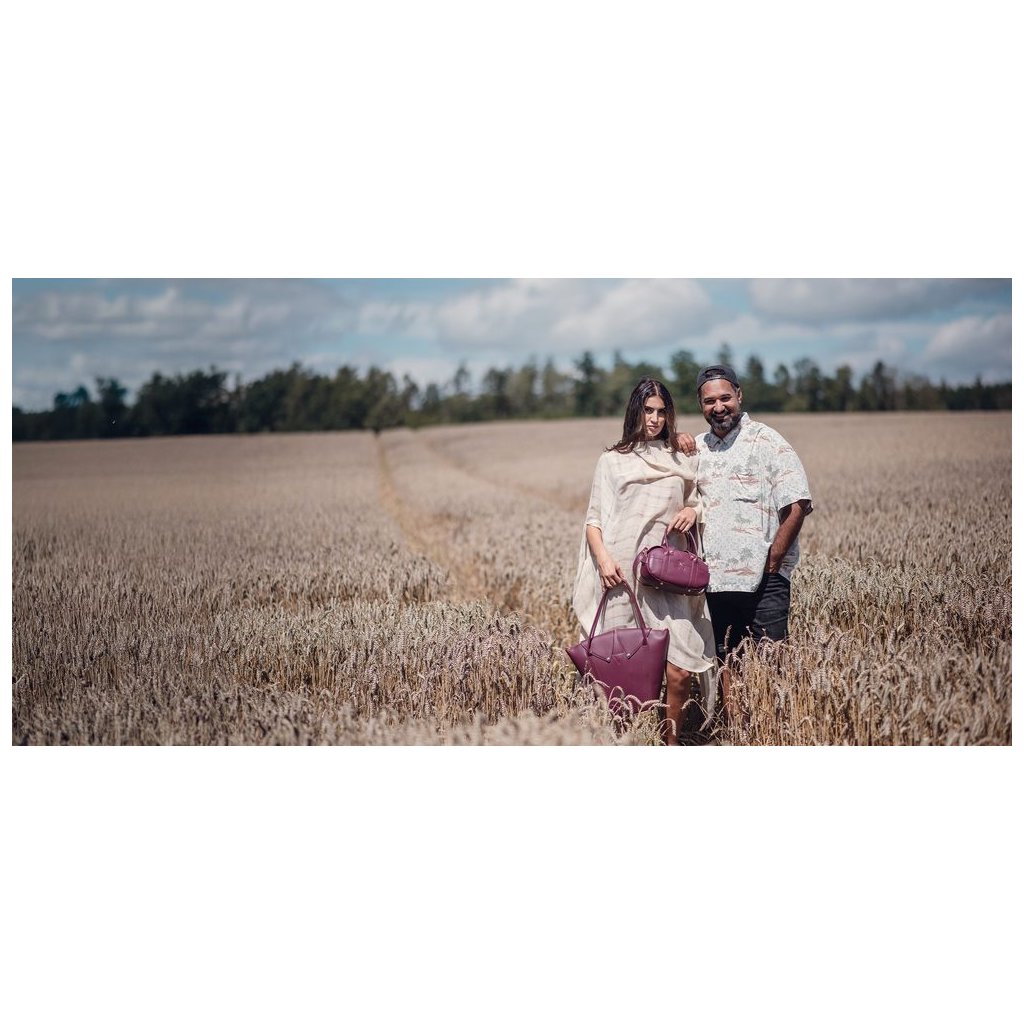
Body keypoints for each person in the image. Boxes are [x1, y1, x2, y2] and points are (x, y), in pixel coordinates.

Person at [572, 377, 716, 744]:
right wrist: (604, 561)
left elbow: (698, 499)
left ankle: (670, 744)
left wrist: (691, 511)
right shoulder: (612, 461)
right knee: (625, 668)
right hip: (621, 576)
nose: (654, 419)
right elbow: (594, 520)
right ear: (634, 411)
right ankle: (628, 741)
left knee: (680, 670)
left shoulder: (682, 455)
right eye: (647, 410)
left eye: (661, 412)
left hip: (667, 575)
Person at [688, 364, 814, 725]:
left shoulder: (768, 442)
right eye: (709, 401)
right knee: (726, 659)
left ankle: (773, 727)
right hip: (713, 582)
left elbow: (797, 504)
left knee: (772, 661)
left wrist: (773, 561)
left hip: (764, 582)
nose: (718, 407)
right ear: (701, 405)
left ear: (739, 396)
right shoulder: (696, 449)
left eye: (725, 398)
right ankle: (737, 729)